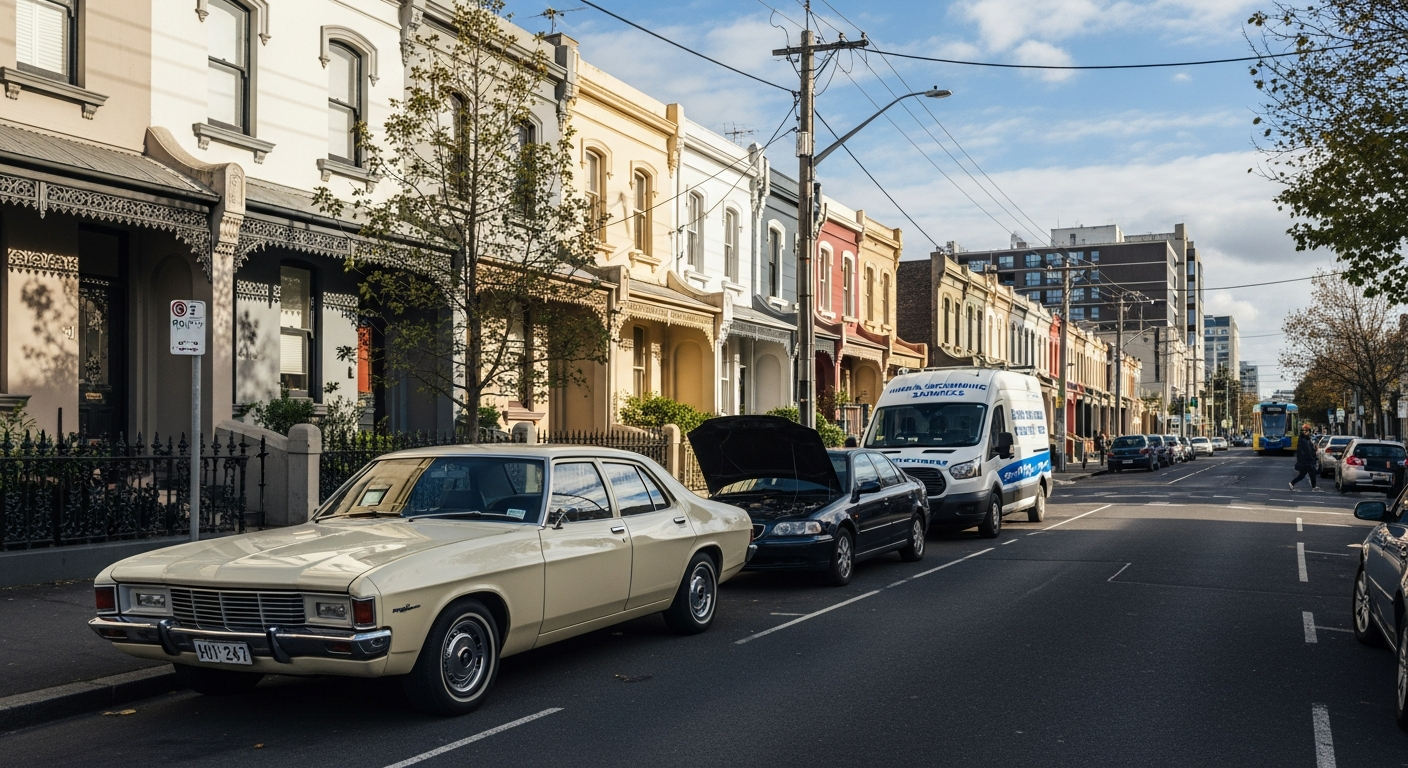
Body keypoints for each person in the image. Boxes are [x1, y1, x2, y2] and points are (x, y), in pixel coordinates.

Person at [1290, 423, 1322, 491]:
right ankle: (1313, 487)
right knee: (1309, 473)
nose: (1305, 432)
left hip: (1307, 460)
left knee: (1306, 474)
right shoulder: (1302, 440)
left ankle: (1292, 483)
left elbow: (1310, 449)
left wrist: (1314, 449)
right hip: (1306, 461)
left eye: (1307, 431)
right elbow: (1307, 450)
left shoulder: (1307, 439)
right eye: (1304, 431)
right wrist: (1311, 457)